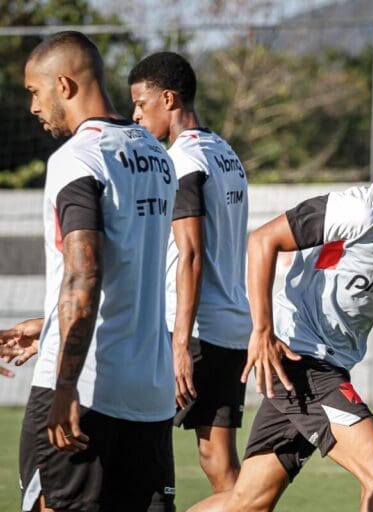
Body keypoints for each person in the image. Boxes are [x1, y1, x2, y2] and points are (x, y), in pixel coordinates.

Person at [189, 108, 373, 512]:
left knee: (248, 501)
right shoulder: (361, 209)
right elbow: (262, 241)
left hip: (331, 361)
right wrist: (262, 333)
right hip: (300, 355)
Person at [17, 31, 177, 511]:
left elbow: (85, 279)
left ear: (63, 85)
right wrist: (48, 324)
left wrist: (65, 386)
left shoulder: (77, 160)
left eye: (33, 92)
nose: (32, 108)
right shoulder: (157, 156)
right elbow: (131, 274)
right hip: (149, 392)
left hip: (85, 388)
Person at [128, 51, 252, 493]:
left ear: (168, 98)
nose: (136, 115)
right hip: (233, 329)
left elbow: (192, 254)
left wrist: (179, 344)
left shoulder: (181, 161)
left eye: (142, 104)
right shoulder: (226, 154)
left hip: (194, 332)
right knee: (220, 464)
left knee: (136, 444)